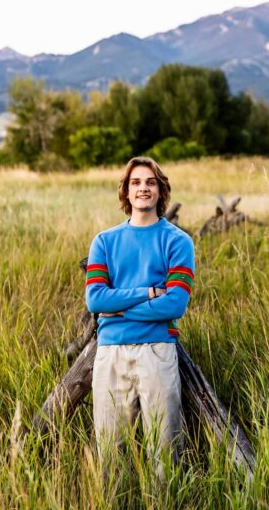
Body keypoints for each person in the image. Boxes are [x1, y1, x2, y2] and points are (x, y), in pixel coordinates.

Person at [85, 156, 195, 482]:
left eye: (150, 182)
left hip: (157, 350)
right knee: (109, 453)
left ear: (161, 191)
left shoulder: (177, 241)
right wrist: (148, 292)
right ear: (126, 192)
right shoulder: (104, 242)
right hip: (111, 353)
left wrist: (118, 309)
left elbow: (175, 304)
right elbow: (95, 299)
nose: (143, 188)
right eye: (136, 183)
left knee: (165, 450)